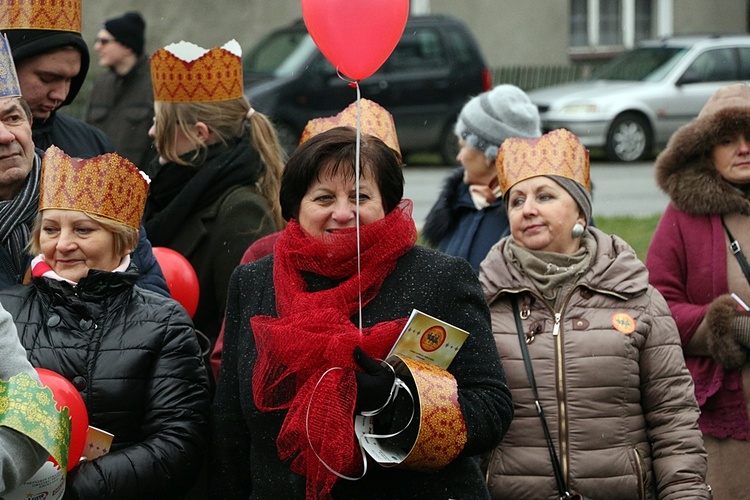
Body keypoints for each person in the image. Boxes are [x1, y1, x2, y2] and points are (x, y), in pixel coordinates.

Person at [211, 124, 514, 499]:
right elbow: (230, 426)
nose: (343, 213)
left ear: (386, 204)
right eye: (323, 198)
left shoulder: (441, 279)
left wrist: (401, 403)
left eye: (360, 196)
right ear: (295, 207)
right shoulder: (254, 282)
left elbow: (491, 408)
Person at [479, 128, 709, 499]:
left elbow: (673, 419)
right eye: (516, 200)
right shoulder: (483, 303)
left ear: (580, 212)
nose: (528, 209)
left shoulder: (638, 299)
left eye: (545, 195)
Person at [0, 144, 211, 498]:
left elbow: (178, 442)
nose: (63, 244)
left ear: (124, 241)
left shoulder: (164, 321)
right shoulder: (6, 310)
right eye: (50, 229)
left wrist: (76, 487)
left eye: (83, 231)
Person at [143, 39, 285, 347]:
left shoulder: (241, 210)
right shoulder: (167, 192)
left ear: (199, 134)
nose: (152, 131)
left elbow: (246, 332)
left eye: (161, 121)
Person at [0, 32, 167, 295]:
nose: (6, 136)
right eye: (47, 78)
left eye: (12, 118)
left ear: (29, 122)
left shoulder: (93, 186)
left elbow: (154, 309)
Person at [645, 82, 750, 499]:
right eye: (728, 140)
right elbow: (656, 306)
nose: (743, 148)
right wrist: (725, 329)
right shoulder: (683, 216)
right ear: (706, 150)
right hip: (725, 417)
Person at [422, 84, 541, 271]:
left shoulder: (535, 215)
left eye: (463, 146)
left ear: (489, 154)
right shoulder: (458, 201)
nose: (458, 157)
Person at [1, 0, 115, 157]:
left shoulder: (95, 146)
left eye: (70, 80)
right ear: (8, 67)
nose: (61, 95)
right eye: (47, 78)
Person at [85, 11, 155, 170]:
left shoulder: (156, 85)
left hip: (141, 187)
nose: (97, 47)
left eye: (104, 41)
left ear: (127, 46)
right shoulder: (101, 85)